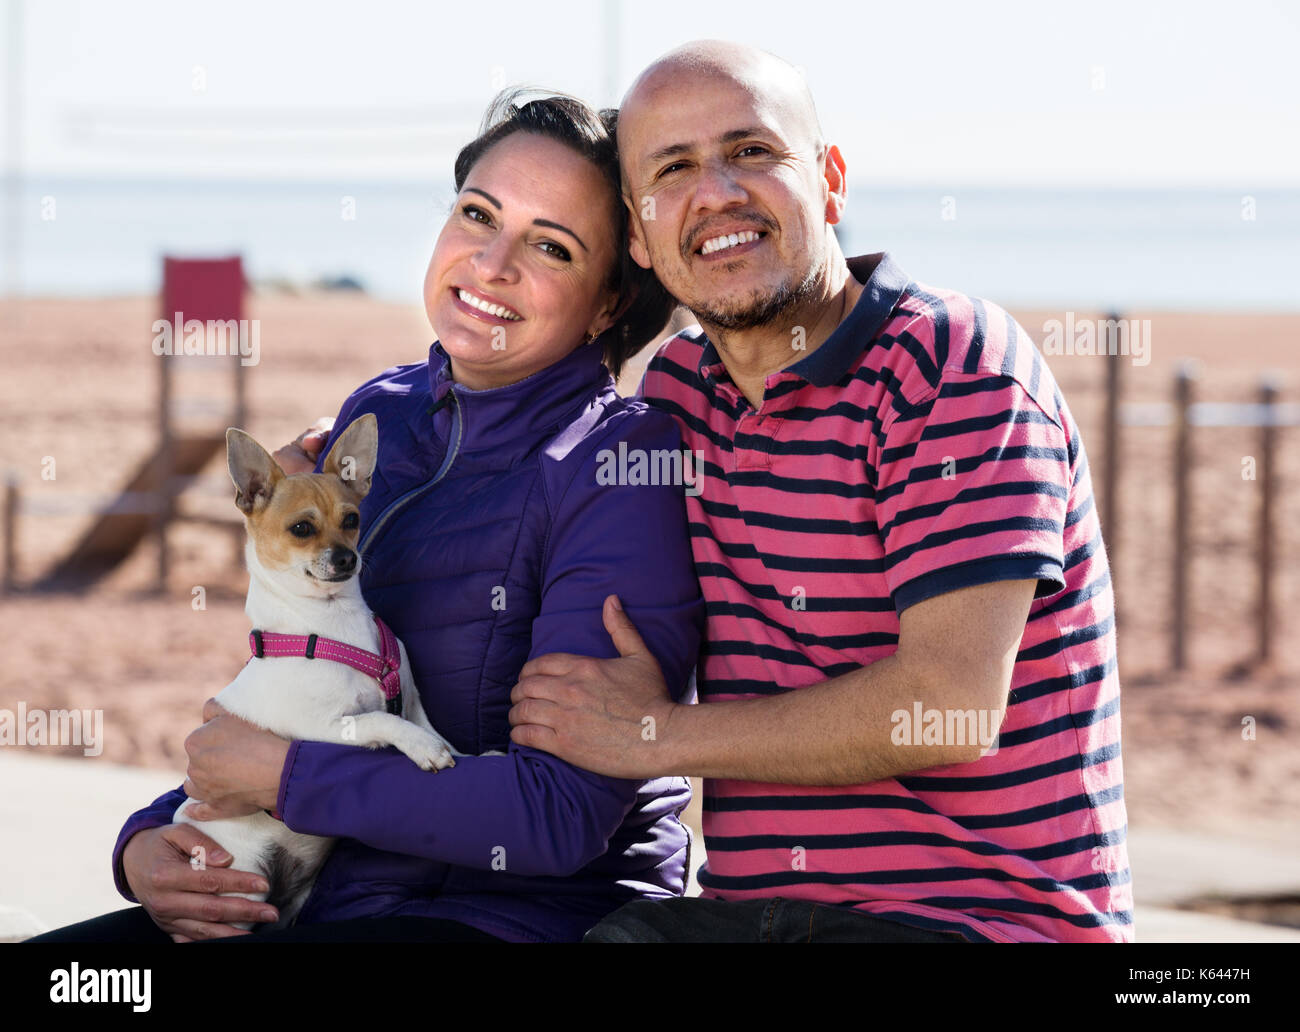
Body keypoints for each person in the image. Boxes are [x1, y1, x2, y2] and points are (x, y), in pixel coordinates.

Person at [28, 92, 703, 944]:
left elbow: (558, 817)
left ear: (610, 304)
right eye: (477, 214)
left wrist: (287, 777)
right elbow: (302, 689)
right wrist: (150, 846)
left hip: (515, 918)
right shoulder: (384, 415)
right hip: (325, 890)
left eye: (551, 246)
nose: (491, 263)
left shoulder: (619, 470)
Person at [507, 41, 1134, 943]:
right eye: (673, 168)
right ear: (639, 237)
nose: (717, 190)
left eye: (753, 151)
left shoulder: (953, 364)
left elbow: (950, 706)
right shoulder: (677, 395)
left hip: (981, 922)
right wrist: (363, 446)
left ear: (830, 179)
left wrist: (656, 735)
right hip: (752, 919)